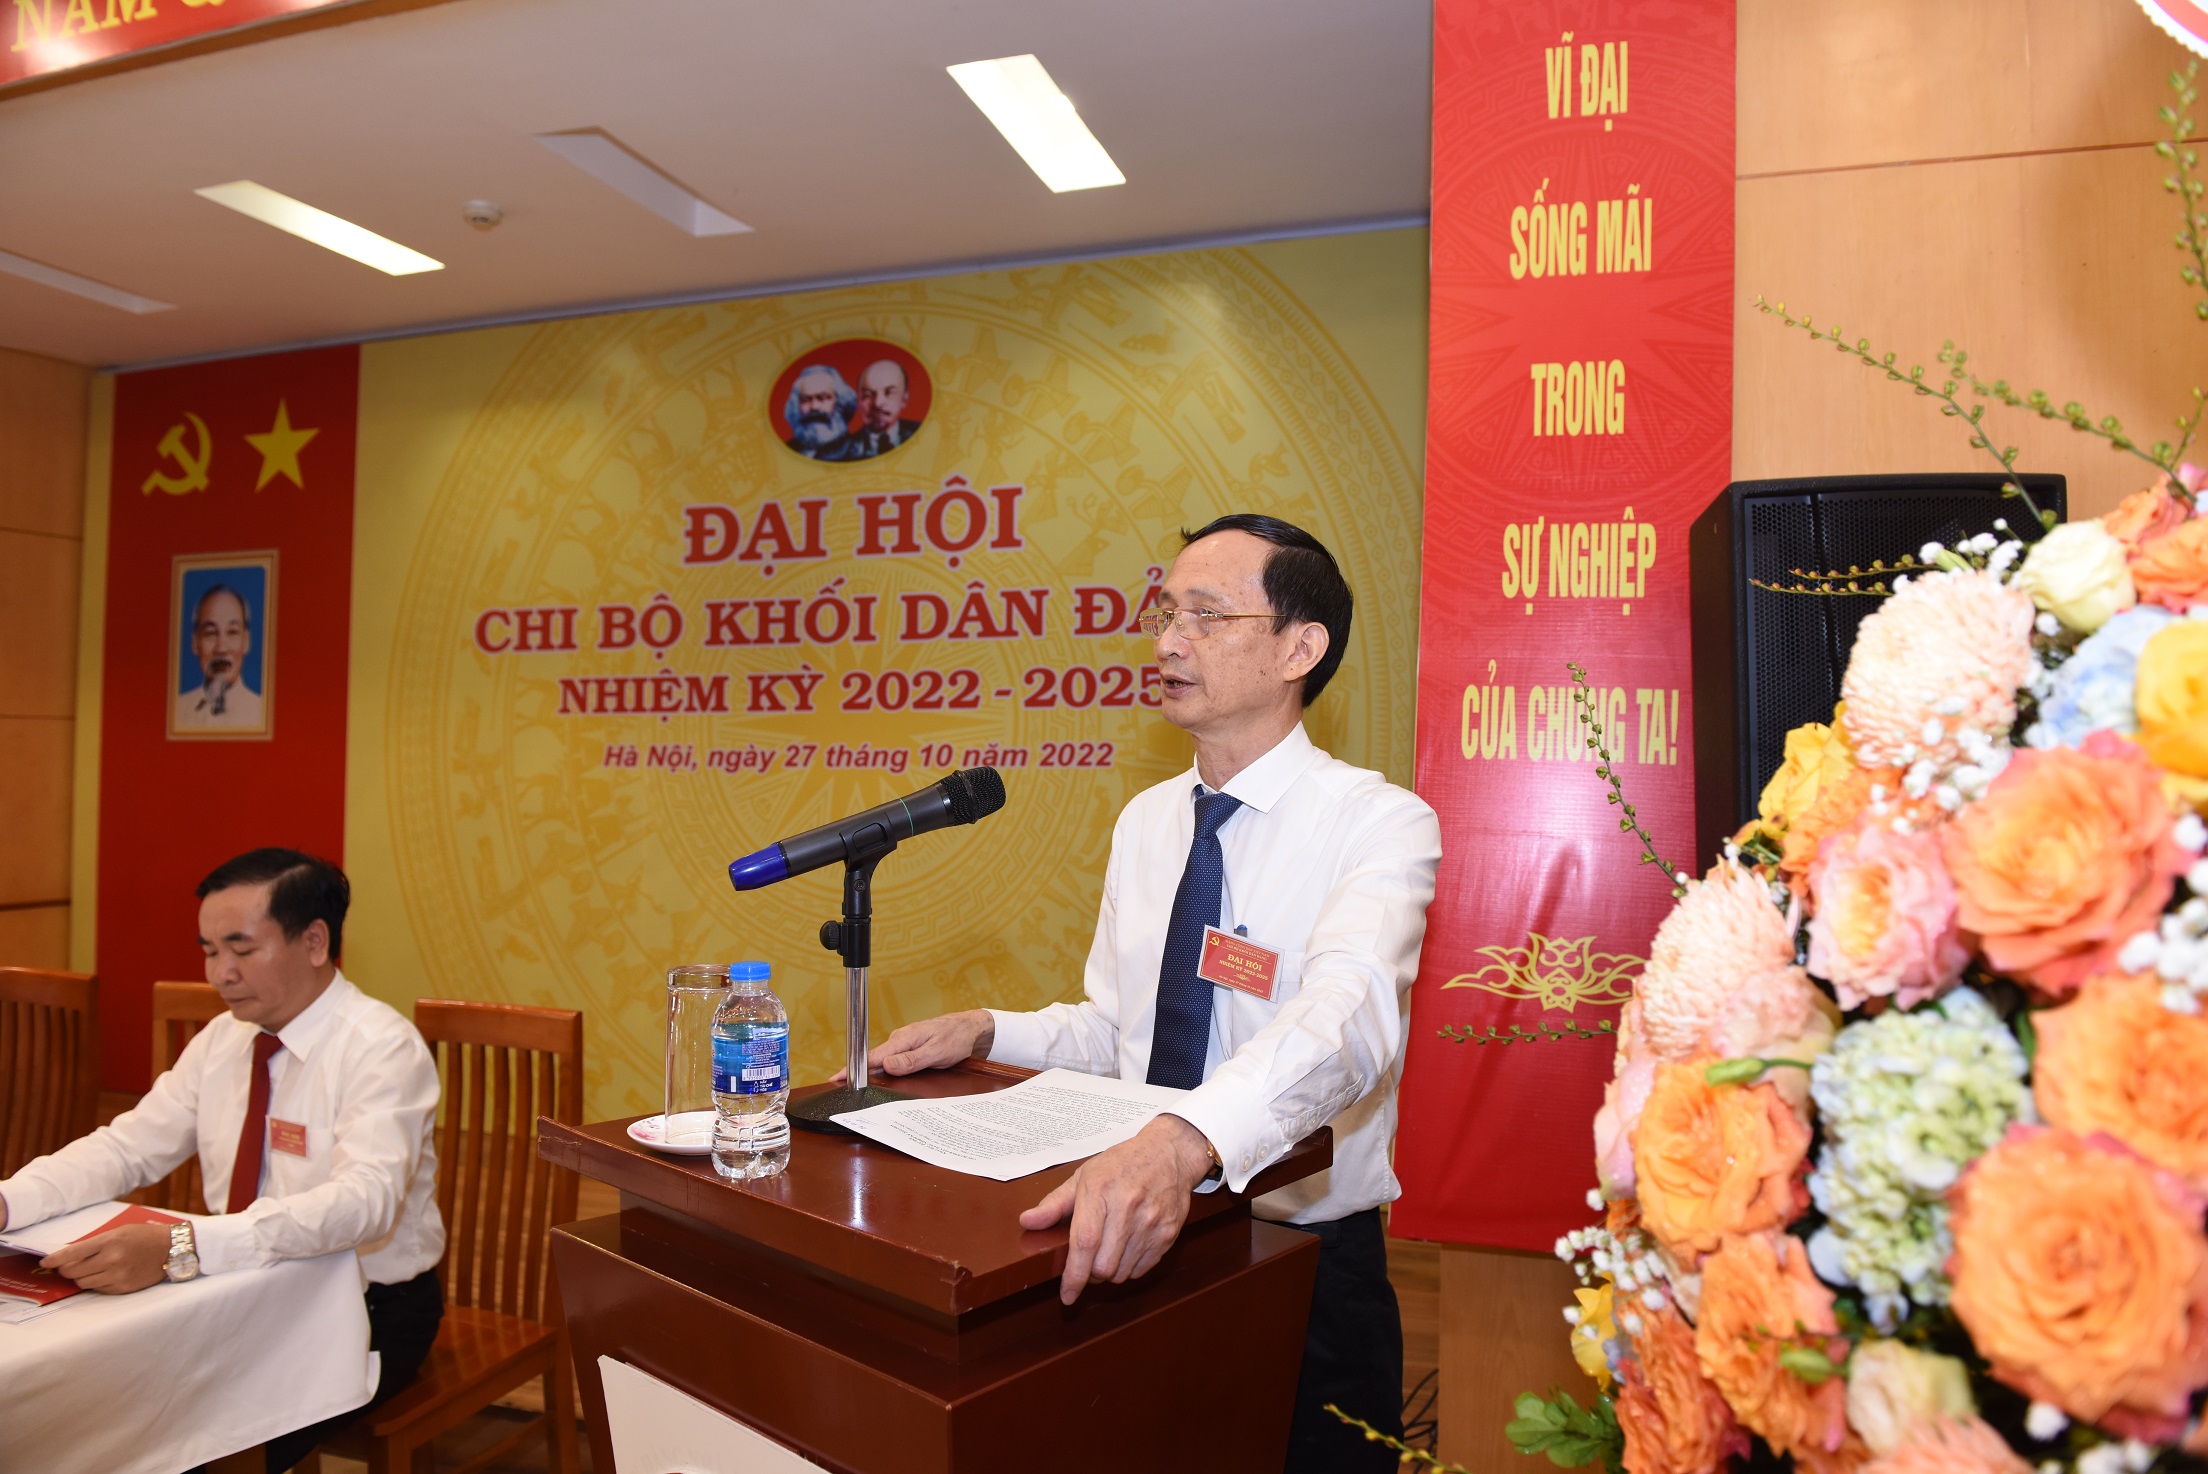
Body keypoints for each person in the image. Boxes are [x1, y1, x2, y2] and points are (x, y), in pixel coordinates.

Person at [864, 514, 1441, 1473]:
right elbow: (1117, 1029)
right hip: (1135, 1241)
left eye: (1207, 616)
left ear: (1300, 649)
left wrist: (1185, 1141)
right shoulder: (1147, 819)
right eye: (1166, 613)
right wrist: (988, 1029)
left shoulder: (1378, 822)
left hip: (1297, 1261)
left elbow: (1349, 1024)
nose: (1169, 641)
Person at [0, 849, 446, 1474]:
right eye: (209, 950)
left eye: (241, 949)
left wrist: (181, 1245)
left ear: (314, 942)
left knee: (194, 1441)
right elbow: (127, 1147)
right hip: (233, 1287)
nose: (220, 973)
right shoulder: (223, 1040)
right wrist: (11, 1199)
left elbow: (364, 1204)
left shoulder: (381, 1048)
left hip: (363, 1307)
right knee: (92, 1409)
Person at [174, 584, 265, 729]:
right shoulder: (177, 710)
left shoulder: (261, 711)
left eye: (232, 632)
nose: (221, 649)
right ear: (195, 643)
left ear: (246, 641)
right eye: (210, 633)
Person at [828, 358, 922, 460]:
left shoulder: (924, 433)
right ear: (858, 401)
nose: (878, 403)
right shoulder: (840, 453)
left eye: (889, 393)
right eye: (868, 395)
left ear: (904, 399)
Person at [782, 363, 857, 459]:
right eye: (806, 400)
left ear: (840, 402)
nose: (814, 407)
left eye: (822, 398)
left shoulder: (856, 450)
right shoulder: (787, 450)